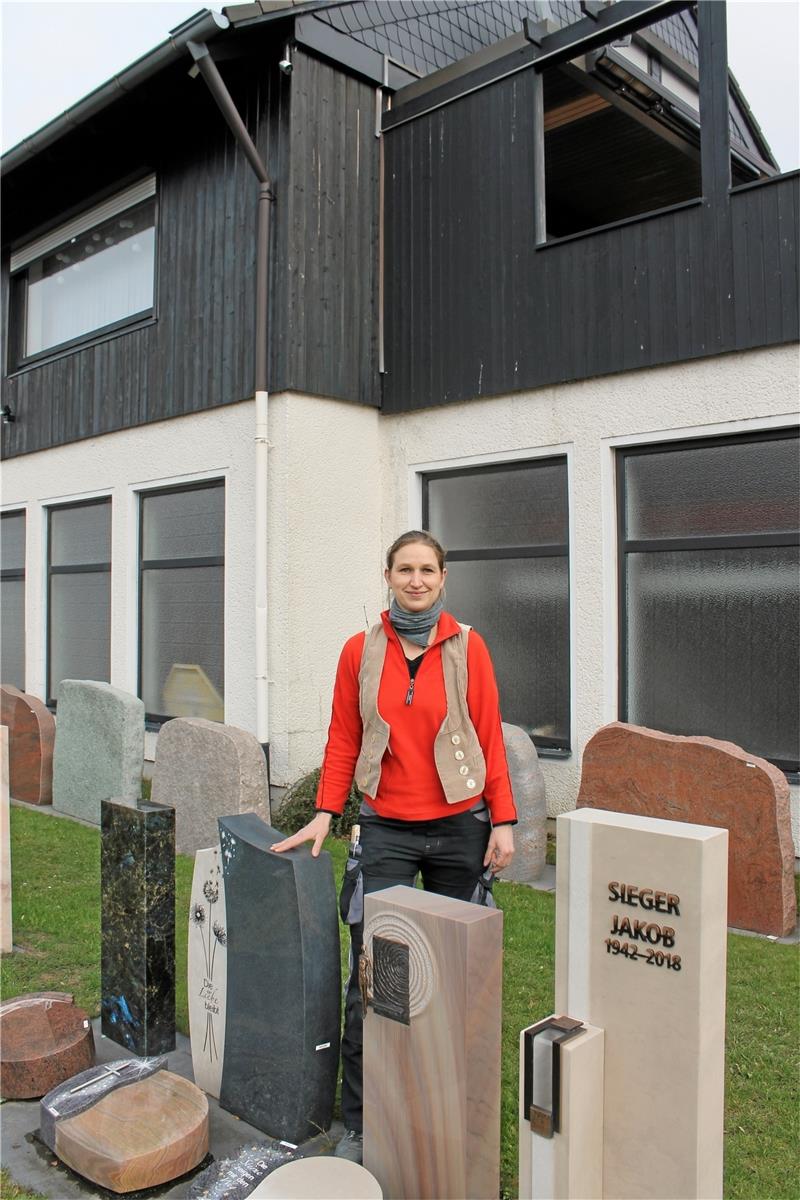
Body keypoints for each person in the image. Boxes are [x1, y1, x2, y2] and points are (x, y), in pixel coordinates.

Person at [272, 530, 516, 1163]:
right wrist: (327, 811)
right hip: (386, 828)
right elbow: (343, 737)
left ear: (443, 578)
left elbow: (489, 736)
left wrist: (504, 821)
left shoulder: (468, 647)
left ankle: (450, 1113)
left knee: (460, 975)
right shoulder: (360, 650)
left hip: (462, 828)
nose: (416, 580)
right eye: (404, 569)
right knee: (377, 978)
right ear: (387, 575)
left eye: (427, 570)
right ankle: (361, 1121)